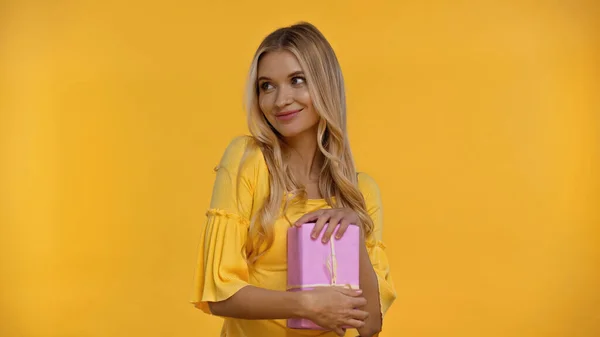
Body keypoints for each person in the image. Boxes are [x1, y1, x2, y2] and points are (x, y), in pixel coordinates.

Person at [190, 21, 396, 337]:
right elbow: (220, 292)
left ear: (325, 85)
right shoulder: (248, 159)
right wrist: (304, 304)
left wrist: (353, 233)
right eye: (266, 86)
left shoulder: (361, 192)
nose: (280, 99)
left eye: (297, 81)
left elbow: (369, 326)